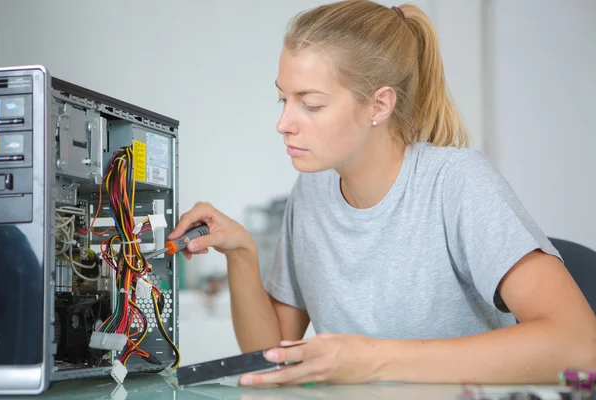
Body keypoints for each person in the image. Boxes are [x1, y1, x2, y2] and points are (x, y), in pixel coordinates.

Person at [169, 0, 596, 386]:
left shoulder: (457, 182)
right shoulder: (310, 192)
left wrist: (372, 359)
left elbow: (580, 345)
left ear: (379, 105)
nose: (284, 123)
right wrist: (242, 252)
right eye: (282, 99)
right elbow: (273, 358)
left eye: (310, 104)